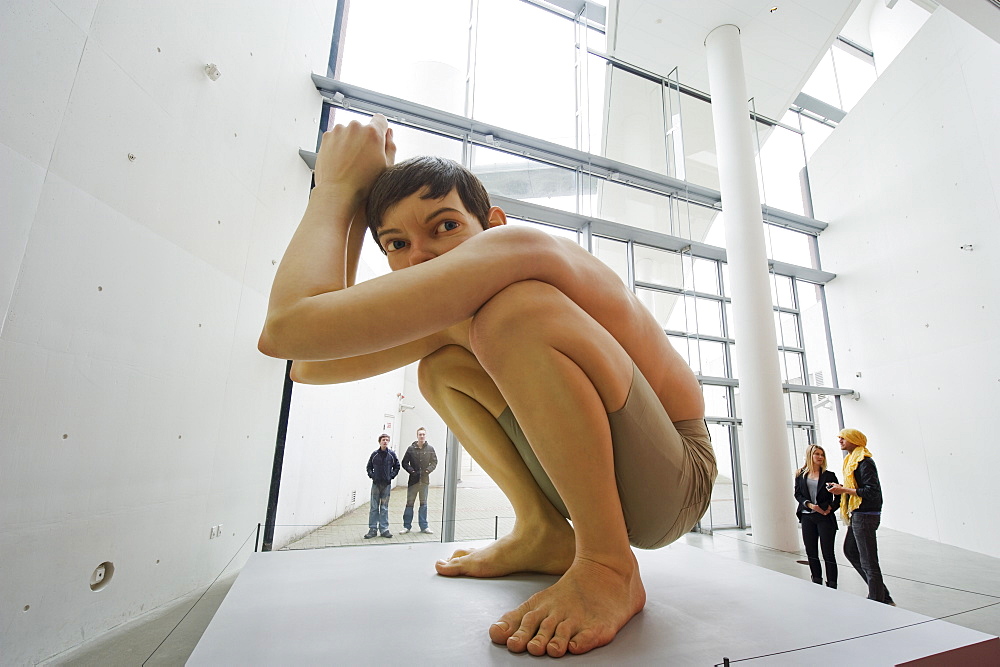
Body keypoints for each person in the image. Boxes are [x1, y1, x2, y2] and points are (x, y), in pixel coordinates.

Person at [257, 115, 716, 657]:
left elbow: (289, 330)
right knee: (442, 368)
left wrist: (334, 192)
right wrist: (356, 211)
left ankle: (609, 564)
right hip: (617, 478)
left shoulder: (520, 248)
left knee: (514, 313)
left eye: (445, 226)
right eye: (396, 243)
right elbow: (306, 362)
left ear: (492, 224)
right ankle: (544, 532)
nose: (421, 256)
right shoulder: (457, 312)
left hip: (676, 477)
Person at [827, 428, 895, 605]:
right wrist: (842, 487)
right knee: (850, 551)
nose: (840, 440)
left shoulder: (864, 461)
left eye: (844, 438)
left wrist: (843, 490)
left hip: (866, 515)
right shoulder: (851, 460)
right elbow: (859, 487)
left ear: (855, 440)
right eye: (839, 438)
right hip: (858, 513)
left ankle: (878, 599)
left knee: (868, 560)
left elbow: (872, 492)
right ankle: (882, 595)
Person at [793, 444, 839, 588]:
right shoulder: (800, 474)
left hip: (825, 517)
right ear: (809, 456)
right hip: (807, 517)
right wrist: (810, 505)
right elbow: (798, 494)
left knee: (828, 553)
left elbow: (839, 496)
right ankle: (816, 581)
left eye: (822, 454)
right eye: (817, 454)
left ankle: (832, 584)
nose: (820, 457)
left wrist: (830, 509)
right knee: (811, 552)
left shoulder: (829, 475)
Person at [401, 427, 438, 534]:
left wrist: (427, 470)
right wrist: (411, 471)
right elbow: (404, 463)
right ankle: (406, 526)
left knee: (423, 504)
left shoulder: (430, 449)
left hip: (424, 481)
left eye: (423, 434)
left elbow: (434, 462)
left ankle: (424, 527)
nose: (421, 436)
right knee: (409, 504)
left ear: (425, 436)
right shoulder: (410, 449)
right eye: (420, 434)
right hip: (413, 481)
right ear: (417, 436)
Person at [365, 434, 400, 539]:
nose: (385, 441)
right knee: (374, 507)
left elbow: (397, 467)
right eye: (383, 440)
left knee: (384, 507)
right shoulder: (374, 455)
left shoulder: (392, 455)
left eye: (387, 440)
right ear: (379, 442)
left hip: (386, 485)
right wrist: (373, 476)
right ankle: (372, 529)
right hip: (376, 484)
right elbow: (369, 467)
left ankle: (384, 529)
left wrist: (391, 476)